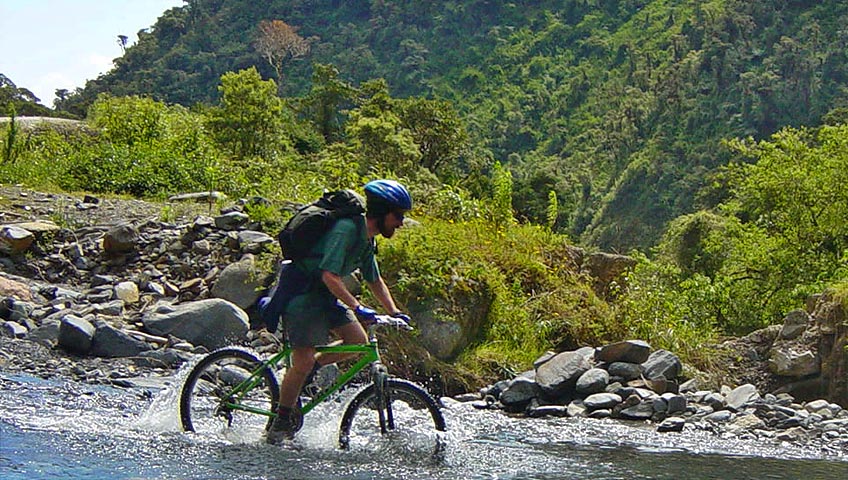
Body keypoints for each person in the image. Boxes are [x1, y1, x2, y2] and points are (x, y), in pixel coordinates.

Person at [266, 179, 413, 444]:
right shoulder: (346, 229)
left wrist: (394, 311)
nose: (400, 223)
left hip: (324, 297)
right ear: (382, 213)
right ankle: (281, 421)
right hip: (301, 295)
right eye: (398, 216)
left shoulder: (368, 240)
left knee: (358, 344)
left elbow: (374, 279)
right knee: (302, 361)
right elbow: (329, 276)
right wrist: (357, 307)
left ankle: (307, 373)